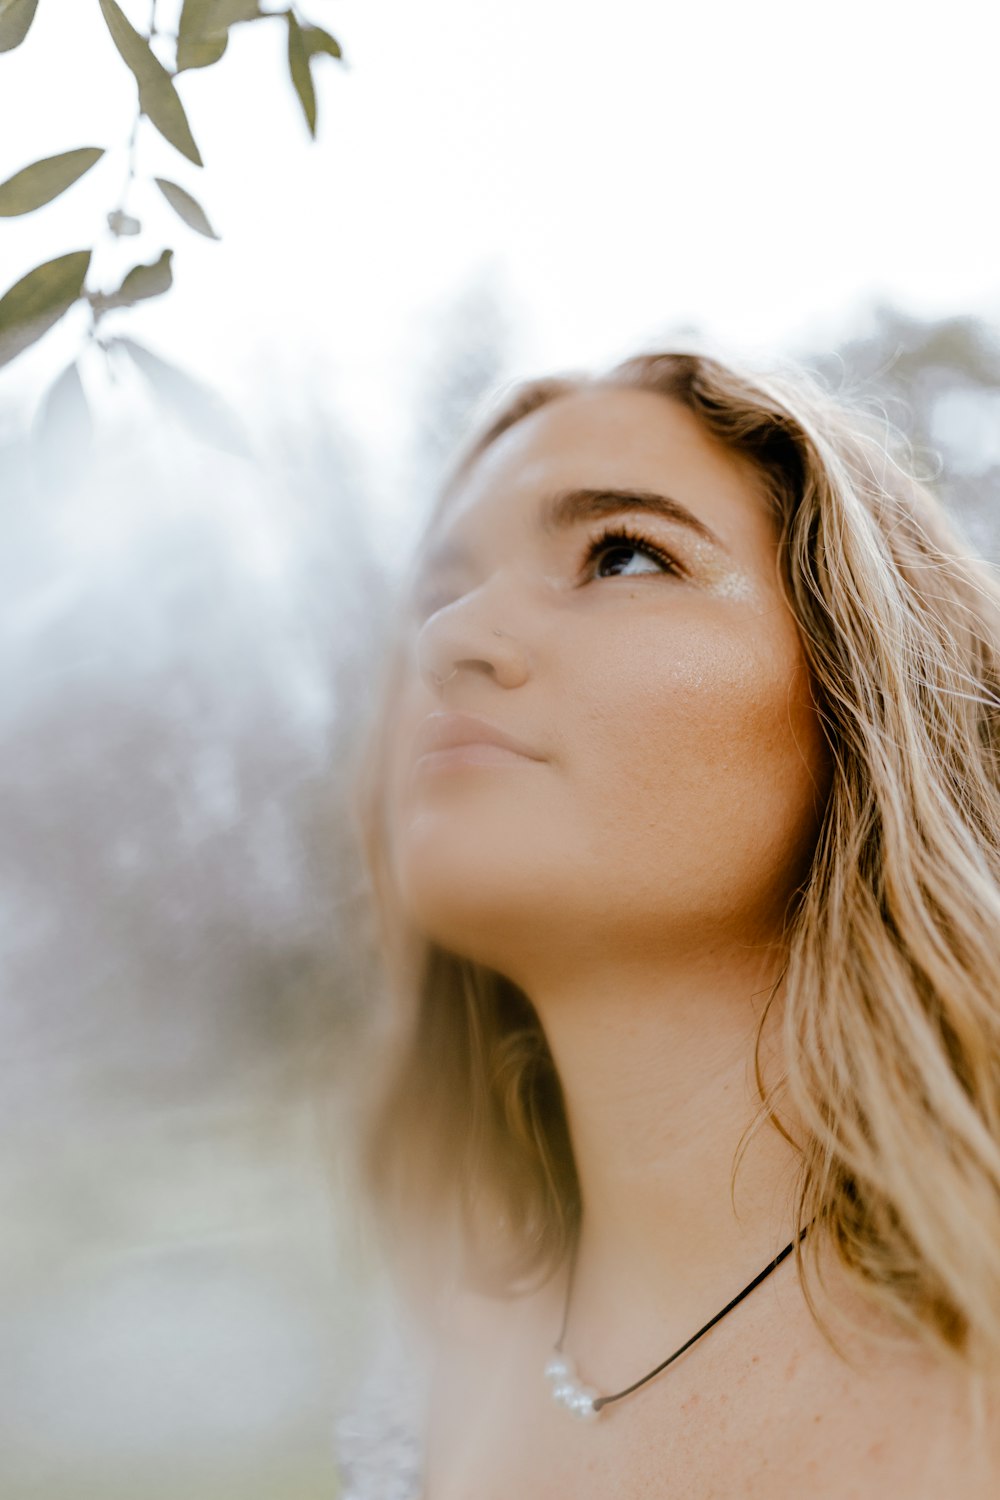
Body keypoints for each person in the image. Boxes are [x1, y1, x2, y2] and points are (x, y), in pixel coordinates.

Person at [336, 346, 1000, 1497]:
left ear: (855, 690)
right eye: (435, 596)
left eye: (622, 553)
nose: (450, 638)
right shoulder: (428, 1352)